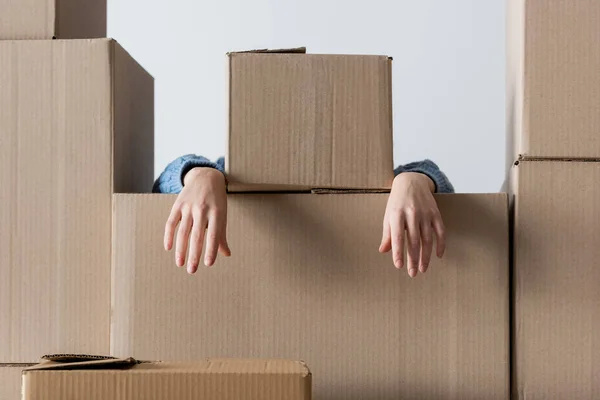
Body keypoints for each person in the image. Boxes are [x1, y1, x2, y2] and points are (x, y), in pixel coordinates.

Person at [153, 154, 454, 278]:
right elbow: (160, 186)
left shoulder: (372, 178)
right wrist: (200, 174)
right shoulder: (233, 173)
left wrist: (414, 179)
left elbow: (448, 196)